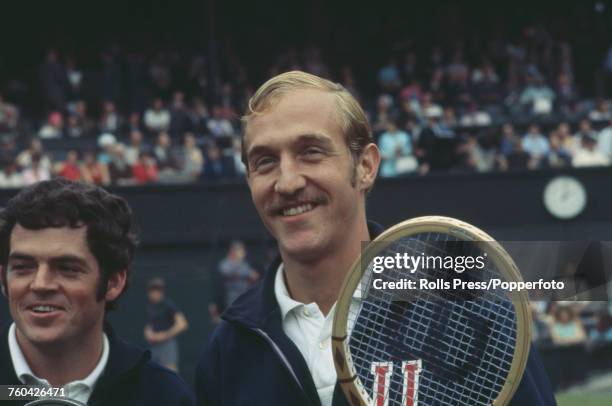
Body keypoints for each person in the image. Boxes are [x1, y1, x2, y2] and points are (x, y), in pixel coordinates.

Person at [195, 71, 556, 405]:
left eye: (311, 152)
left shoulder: (474, 312)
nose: (287, 182)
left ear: (365, 166)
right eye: (264, 161)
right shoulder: (228, 351)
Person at [0, 179, 194, 406]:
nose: (40, 284)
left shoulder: (163, 395)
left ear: (113, 282)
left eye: (67, 269)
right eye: (23, 267)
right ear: (3, 277)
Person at [208, 241, 259, 324]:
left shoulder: (244, 264)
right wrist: (245, 274)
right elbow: (226, 271)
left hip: (245, 296)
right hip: (230, 296)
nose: (243, 253)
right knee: (232, 320)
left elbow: (254, 275)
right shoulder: (225, 263)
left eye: (243, 250)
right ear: (233, 251)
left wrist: (245, 275)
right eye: (240, 251)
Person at [144, 277, 188, 372]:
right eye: (153, 290)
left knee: (171, 375)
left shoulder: (167, 305)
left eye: (158, 290)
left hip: (167, 346)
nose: (155, 293)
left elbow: (182, 324)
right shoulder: (151, 306)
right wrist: (148, 332)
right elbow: (150, 324)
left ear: (162, 291)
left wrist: (165, 335)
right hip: (154, 346)